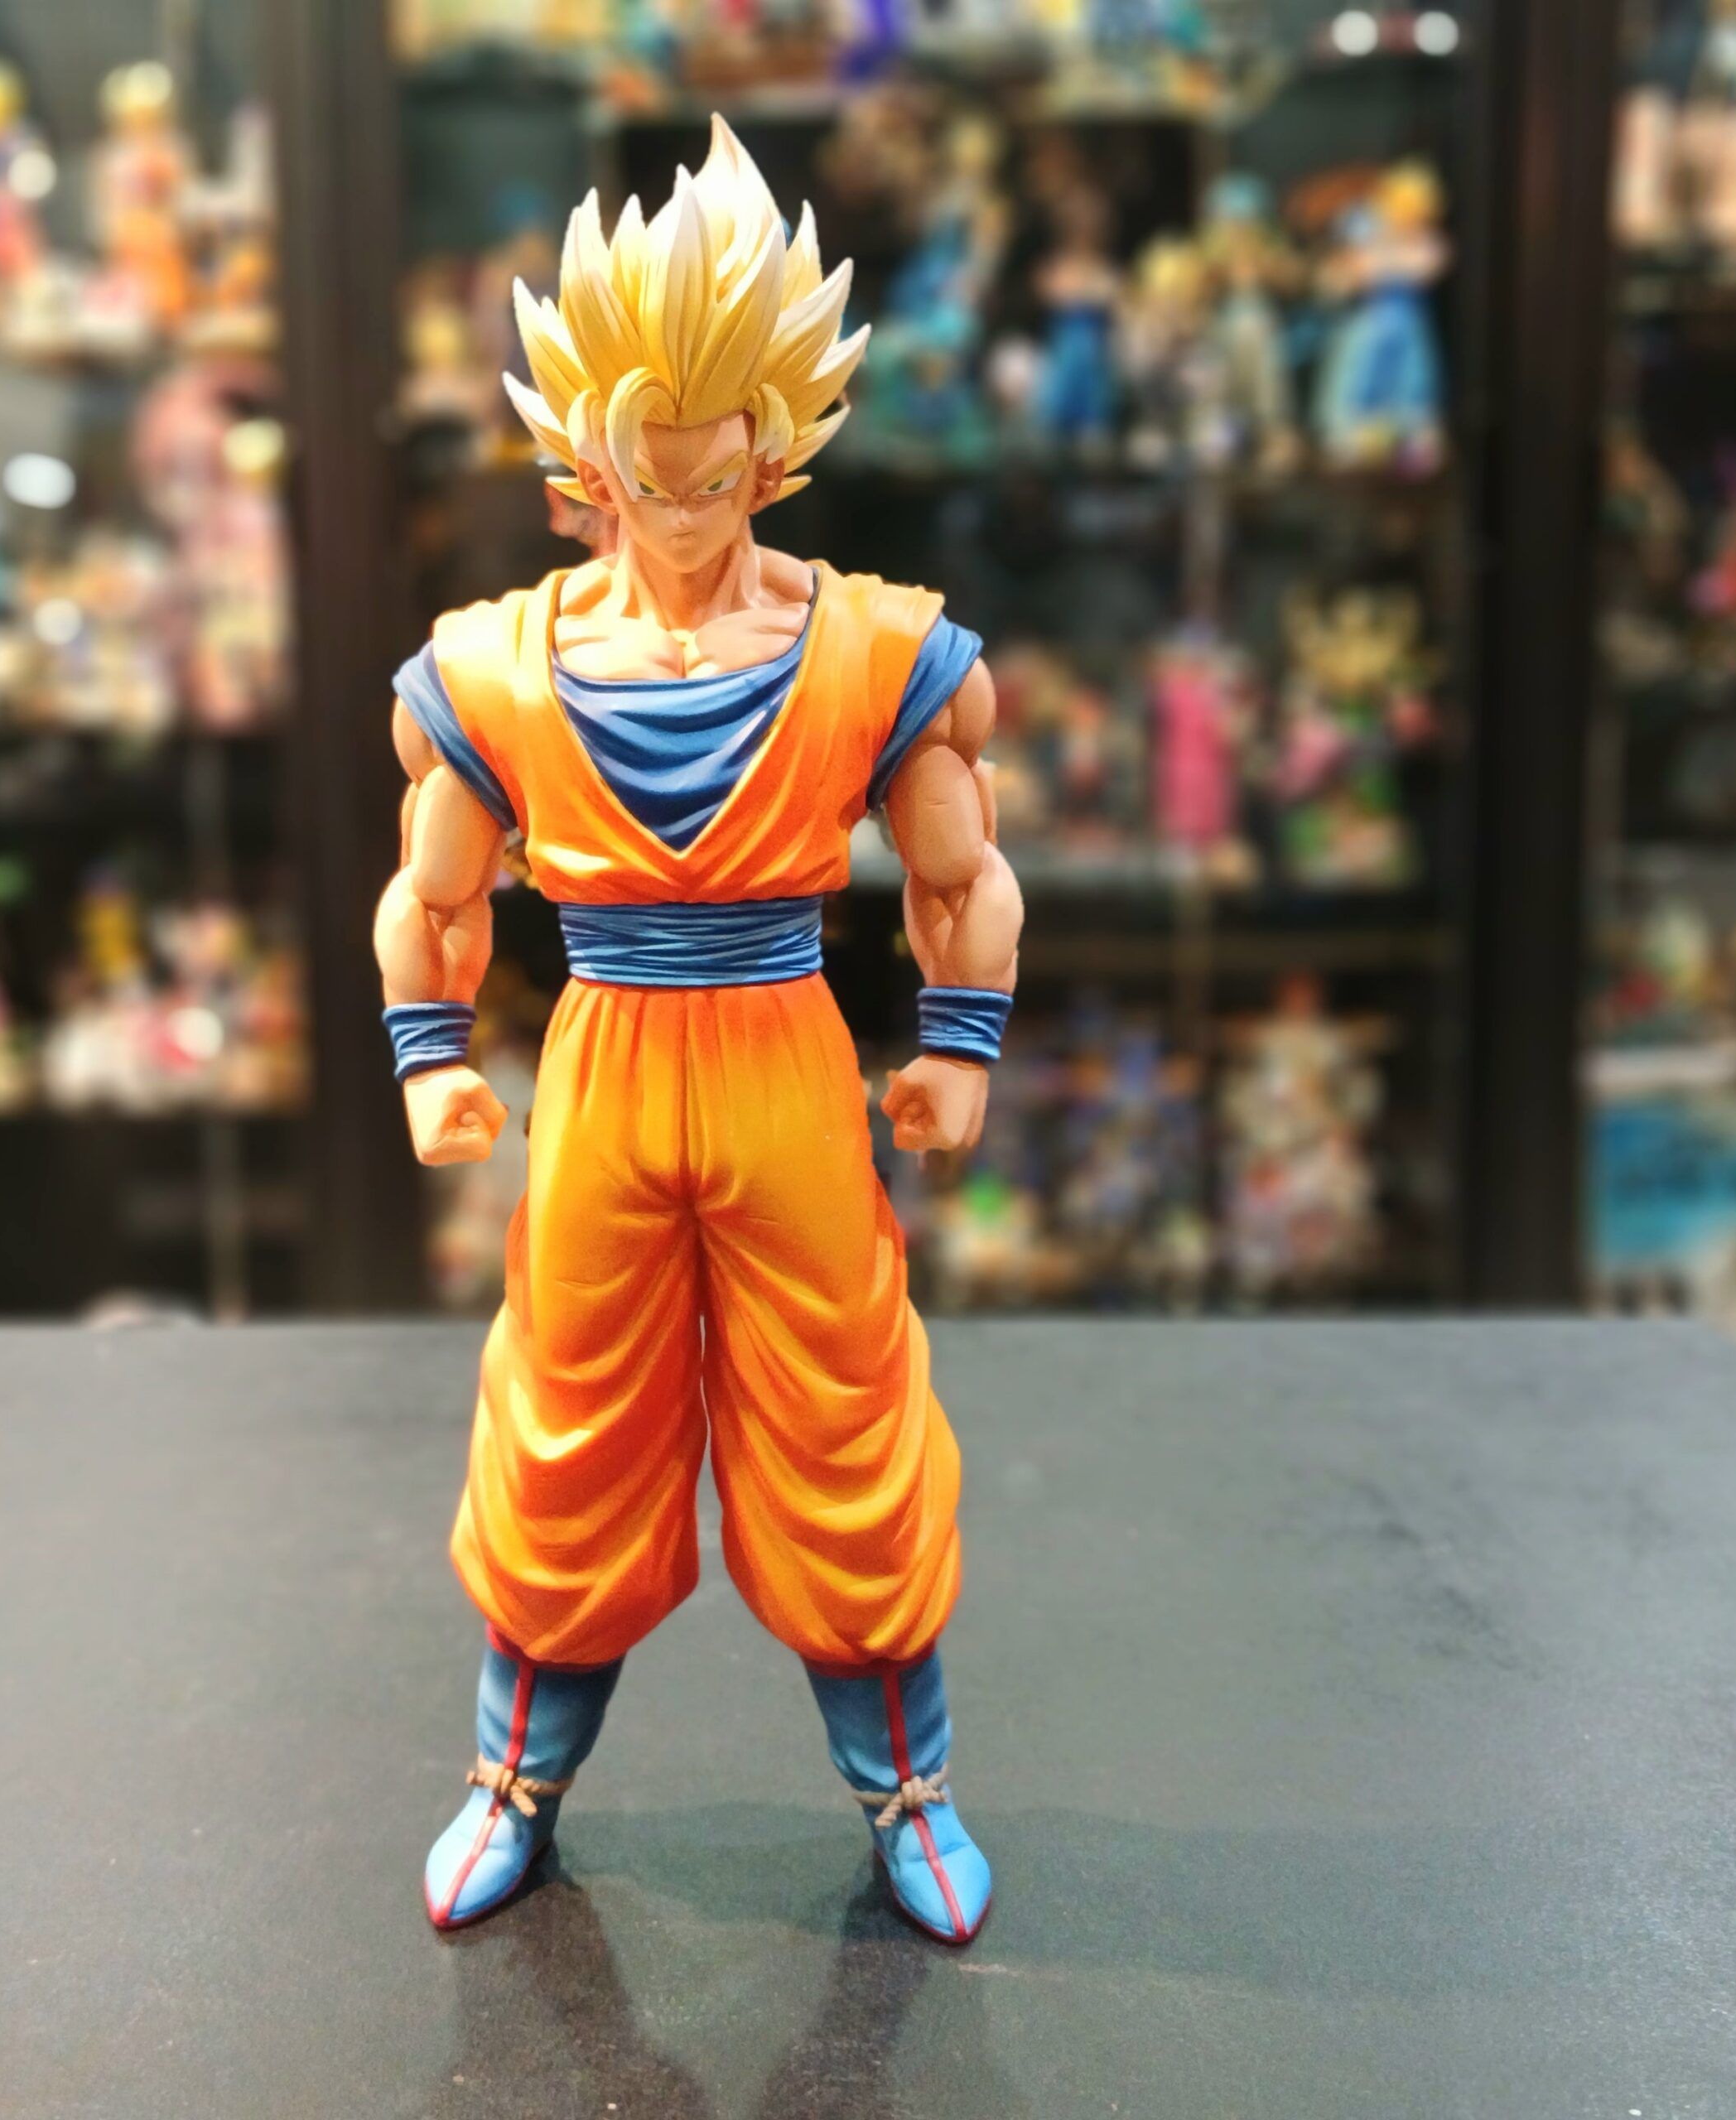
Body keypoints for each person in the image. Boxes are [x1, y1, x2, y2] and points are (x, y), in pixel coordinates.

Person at [375, 118, 1024, 1943]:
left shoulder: (873, 648)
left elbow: (964, 866)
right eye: (644, 478)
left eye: (711, 477)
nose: (677, 516)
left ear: (773, 451)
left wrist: (959, 1042)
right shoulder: (494, 666)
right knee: (567, 1427)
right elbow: (430, 896)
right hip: (601, 1067)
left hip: (782, 1058)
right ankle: (513, 1778)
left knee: (845, 1421)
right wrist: (430, 1059)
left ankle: (908, 1791)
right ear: (585, 457)